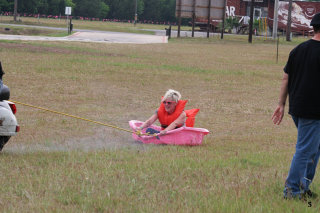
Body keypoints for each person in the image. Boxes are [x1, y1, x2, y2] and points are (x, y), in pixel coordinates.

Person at [272, 12, 320, 199]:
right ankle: (292, 191)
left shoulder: (298, 50)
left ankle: (303, 186)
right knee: (306, 149)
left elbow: (286, 77)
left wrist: (281, 103)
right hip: (313, 111)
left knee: (313, 149)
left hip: (299, 109)